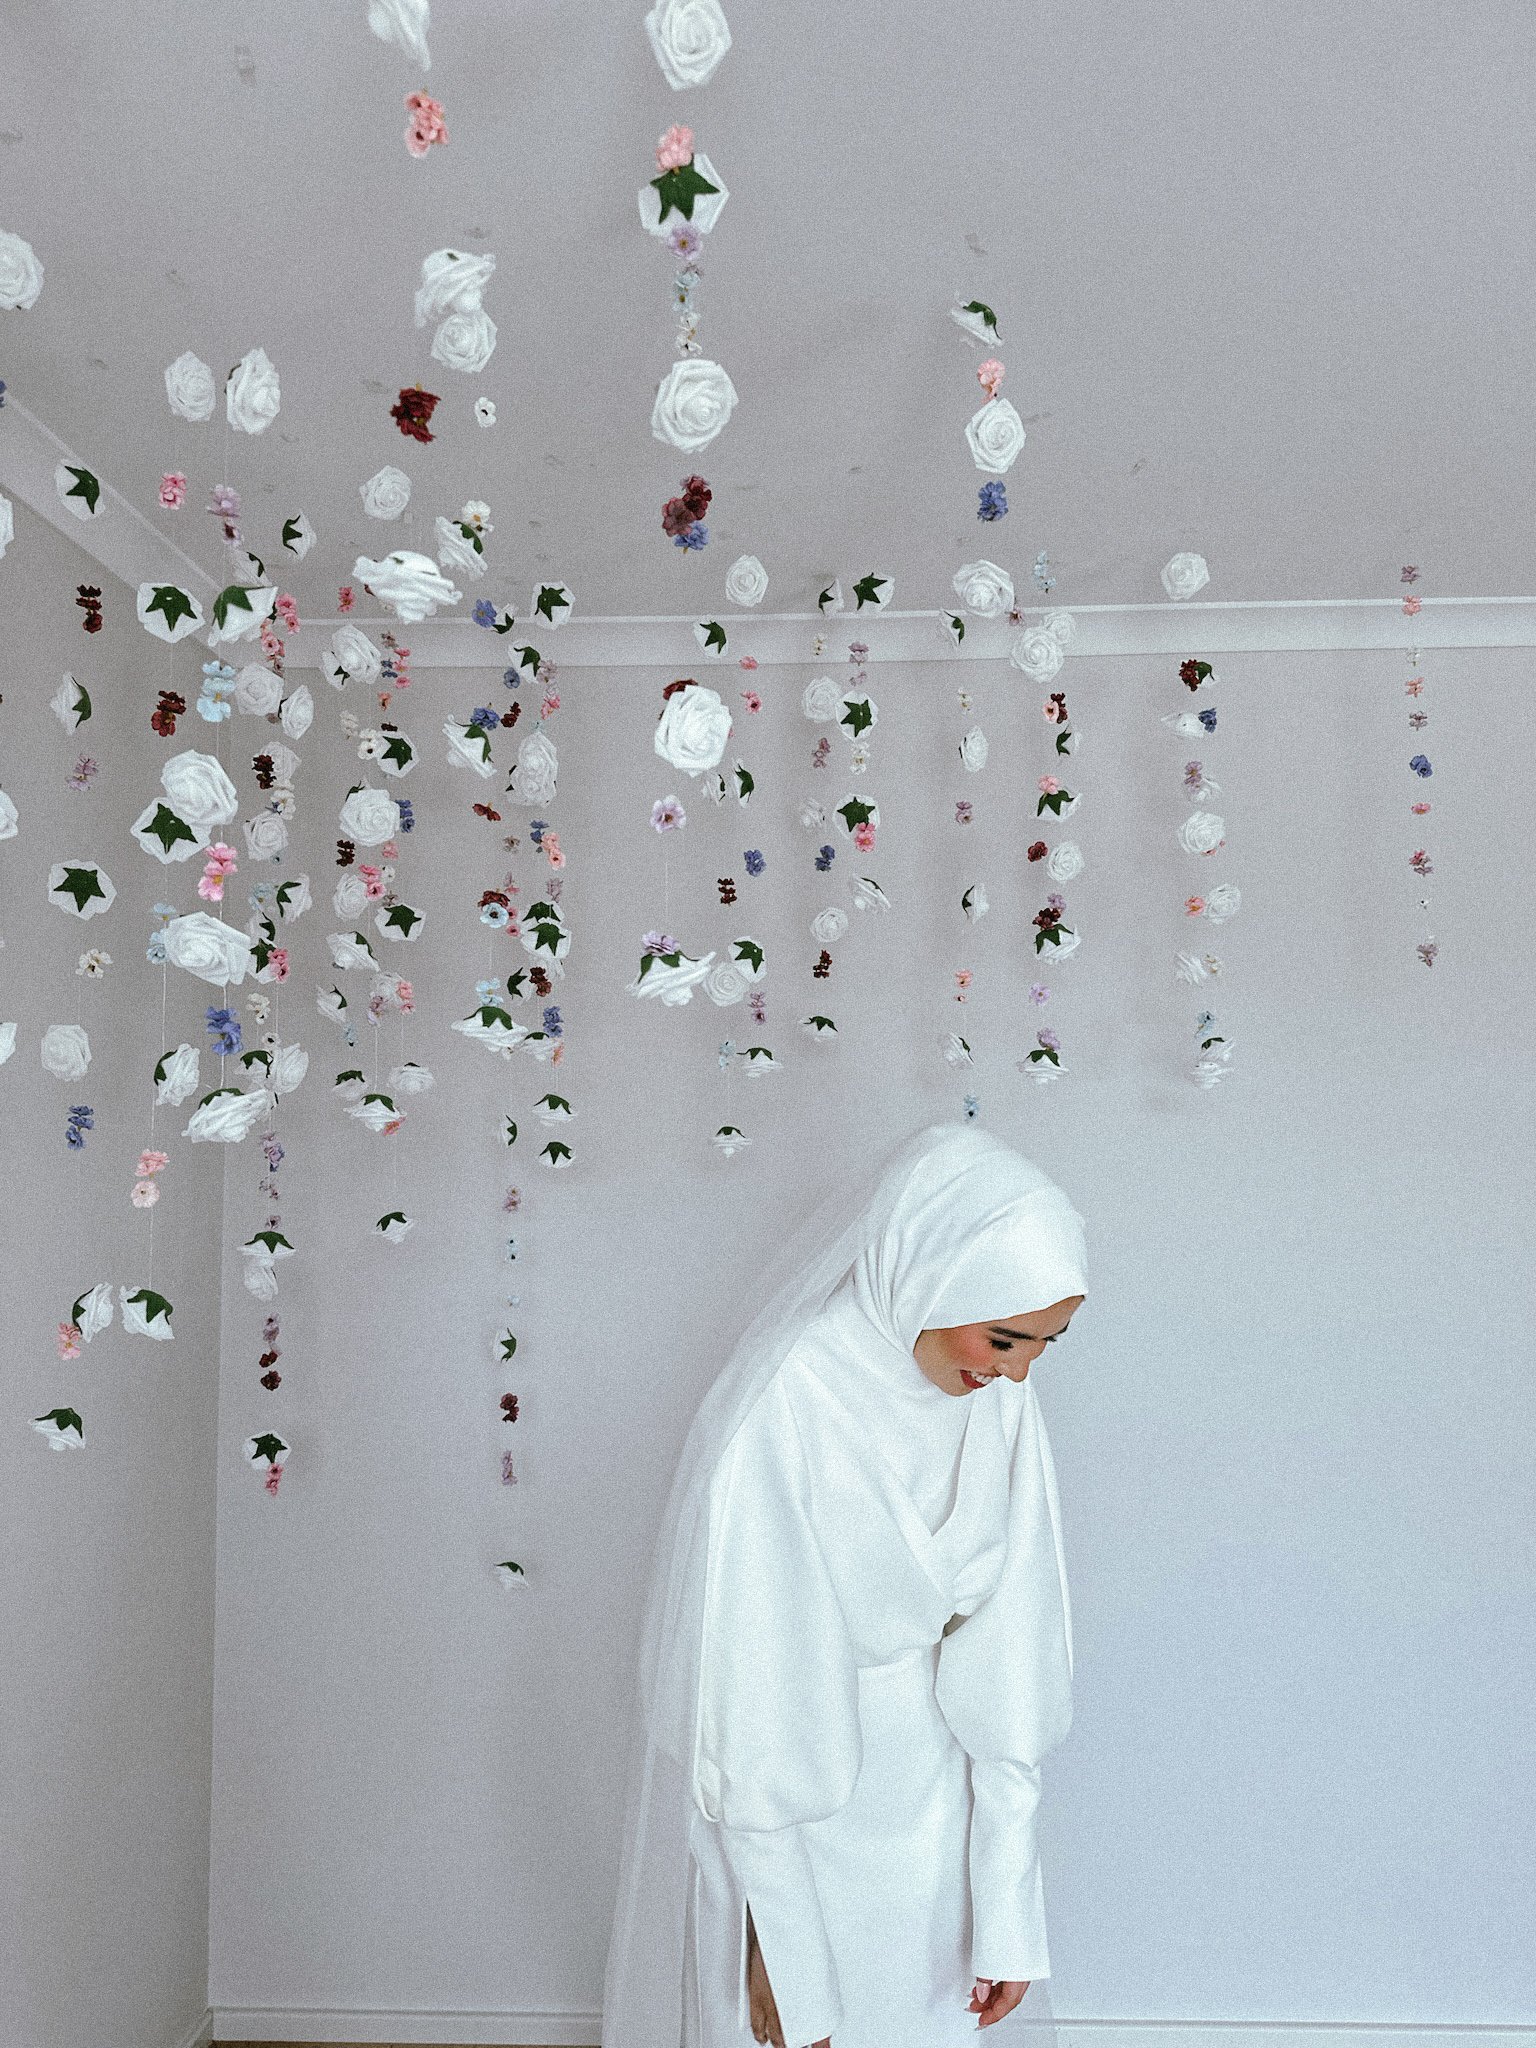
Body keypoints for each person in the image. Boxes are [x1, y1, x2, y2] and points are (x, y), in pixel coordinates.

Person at [603, 1123, 1088, 2048]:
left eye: (1046, 1343)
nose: (1016, 1370)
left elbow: (1016, 1639)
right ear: (933, 1274)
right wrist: (779, 1950)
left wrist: (1008, 1904)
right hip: (794, 1811)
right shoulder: (787, 1397)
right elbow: (751, 1689)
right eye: (1004, 1336)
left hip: (934, 1797)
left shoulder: (999, 1397)